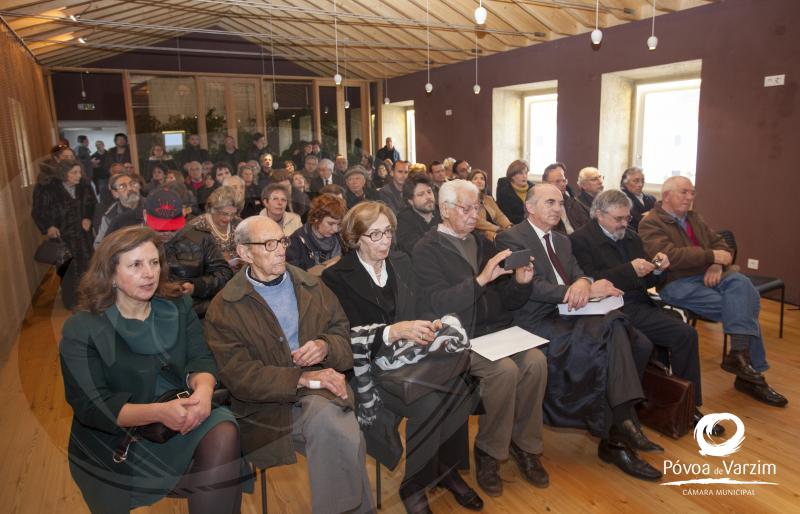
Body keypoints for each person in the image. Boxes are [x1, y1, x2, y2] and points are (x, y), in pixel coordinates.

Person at [59, 226, 246, 513]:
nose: (149, 273)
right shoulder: (82, 328)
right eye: (136, 265)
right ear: (110, 274)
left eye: (154, 262)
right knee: (224, 469)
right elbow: (94, 407)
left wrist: (205, 392)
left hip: (181, 412)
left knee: (224, 430)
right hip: (121, 441)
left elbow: (201, 359)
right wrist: (159, 413)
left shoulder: (178, 304)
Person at [204, 216, 373, 514]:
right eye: (269, 244)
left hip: (323, 390)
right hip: (267, 408)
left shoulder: (310, 285)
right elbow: (239, 377)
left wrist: (324, 346)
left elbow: (343, 340)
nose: (281, 250)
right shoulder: (225, 307)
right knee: (342, 429)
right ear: (244, 253)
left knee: (331, 421)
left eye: (282, 241)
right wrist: (301, 379)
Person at [495, 183, 662, 482]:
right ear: (530, 207)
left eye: (560, 203)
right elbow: (527, 286)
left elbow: (577, 271)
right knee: (616, 329)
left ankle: (619, 427)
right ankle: (622, 426)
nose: (558, 208)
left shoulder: (562, 240)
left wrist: (584, 282)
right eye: (550, 202)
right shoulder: (512, 236)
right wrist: (572, 291)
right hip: (536, 318)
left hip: (571, 312)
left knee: (635, 339)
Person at [322, 202, 482, 512]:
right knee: (431, 403)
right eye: (375, 234)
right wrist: (392, 332)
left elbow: (422, 306)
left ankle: (445, 471)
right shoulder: (338, 277)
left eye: (388, 232)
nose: (384, 241)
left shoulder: (400, 261)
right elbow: (344, 339)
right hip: (368, 369)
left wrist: (431, 323)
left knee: (463, 389)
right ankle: (415, 483)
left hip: (410, 360)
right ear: (355, 237)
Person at [413, 180, 550, 497]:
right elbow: (437, 303)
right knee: (505, 370)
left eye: (477, 207)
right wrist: (480, 280)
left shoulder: (484, 243)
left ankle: (525, 445)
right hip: (457, 337)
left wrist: (521, 283)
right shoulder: (427, 249)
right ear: (445, 209)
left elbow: (509, 300)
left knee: (536, 361)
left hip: (496, 333)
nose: (474, 214)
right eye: (466, 208)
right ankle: (490, 452)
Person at [570, 189, 721, 434]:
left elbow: (646, 279)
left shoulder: (630, 236)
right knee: (644, 344)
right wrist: (631, 270)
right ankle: (627, 412)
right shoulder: (579, 240)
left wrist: (658, 269)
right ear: (599, 214)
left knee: (686, 335)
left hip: (638, 304)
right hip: (607, 309)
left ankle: (690, 405)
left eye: (627, 218)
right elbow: (591, 282)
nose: (624, 223)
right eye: (618, 218)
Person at [638, 176, 787, 407]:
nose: (690, 197)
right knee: (744, 310)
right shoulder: (651, 222)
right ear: (667, 195)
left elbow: (723, 247)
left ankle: (740, 360)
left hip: (710, 275)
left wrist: (717, 264)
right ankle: (751, 376)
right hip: (677, 283)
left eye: (692, 192)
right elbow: (668, 256)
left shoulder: (694, 218)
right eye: (684, 192)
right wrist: (710, 256)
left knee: (740, 283)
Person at [142, 187, 233, 317]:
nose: (167, 232)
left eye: (173, 228)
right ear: (145, 216)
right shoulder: (134, 243)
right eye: (160, 228)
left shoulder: (201, 238)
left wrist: (195, 287)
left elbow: (224, 274)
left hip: (196, 311)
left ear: (184, 213)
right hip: (150, 312)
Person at [32, 160, 96, 310]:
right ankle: (71, 301)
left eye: (79, 172)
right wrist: (48, 227)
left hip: (83, 236)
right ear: (63, 174)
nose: (78, 175)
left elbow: (91, 203)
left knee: (88, 267)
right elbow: (37, 211)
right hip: (62, 236)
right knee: (67, 270)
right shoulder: (48, 188)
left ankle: (90, 299)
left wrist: (88, 217)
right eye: (74, 172)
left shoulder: (84, 185)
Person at [286, 194, 345, 275]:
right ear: (317, 218)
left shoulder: (341, 237)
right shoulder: (296, 241)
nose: (335, 229)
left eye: (339, 224)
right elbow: (294, 275)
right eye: (330, 224)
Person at [189, 186, 242, 266]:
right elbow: (190, 261)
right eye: (224, 213)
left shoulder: (239, 223)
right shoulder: (196, 227)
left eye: (233, 214)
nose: (228, 218)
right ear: (213, 209)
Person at [396, 172, 441, 256]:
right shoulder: (403, 220)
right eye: (421, 194)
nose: (428, 197)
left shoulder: (443, 213)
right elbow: (418, 249)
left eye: (429, 192)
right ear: (410, 201)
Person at [95, 173, 142, 248]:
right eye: (122, 186)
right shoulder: (110, 216)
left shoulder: (152, 206)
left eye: (132, 184)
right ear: (115, 193)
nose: (130, 188)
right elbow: (99, 246)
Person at [542, 162, 590, 235]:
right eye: (557, 181)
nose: (562, 184)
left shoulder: (572, 202)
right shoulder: (540, 206)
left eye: (564, 181)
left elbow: (586, 225)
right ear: (545, 183)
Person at [469, 169, 512, 241]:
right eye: (475, 178)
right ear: (469, 182)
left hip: (495, 230)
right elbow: (476, 221)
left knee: (513, 235)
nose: (479, 181)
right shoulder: (467, 199)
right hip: (477, 231)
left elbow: (499, 215)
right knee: (503, 239)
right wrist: (497, 229)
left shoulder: (489, 199)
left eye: (482, 179)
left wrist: (508, 226)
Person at [495, 159, 533, 224]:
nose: (524, 176)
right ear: (512, 176)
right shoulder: (504, 190)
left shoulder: (533, 188)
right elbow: (506, 215)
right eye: (521, 173)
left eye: (526, 173)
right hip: (514, 225)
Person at [620, 167, 656, 232]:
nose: (640, 184)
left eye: (642, 181)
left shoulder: (652, 199)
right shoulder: (621, 200)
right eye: (636, 181)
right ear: (625, 183)